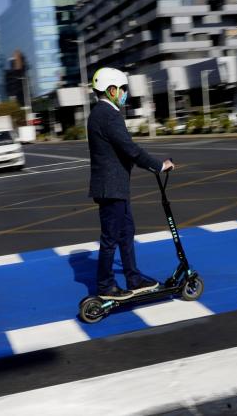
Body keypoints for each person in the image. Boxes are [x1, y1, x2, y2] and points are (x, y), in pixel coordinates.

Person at [87, 67, 174, 301]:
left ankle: (133, 278)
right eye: (123, 89)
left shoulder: (100, 113)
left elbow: (121, 150)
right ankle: (105, 286)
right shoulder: (108, 114)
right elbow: (130, 149)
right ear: (111, 90)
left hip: (114, 187)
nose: (125, 93)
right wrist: (159, 165)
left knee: (126, 233)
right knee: (110, 238)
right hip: (111, 188)